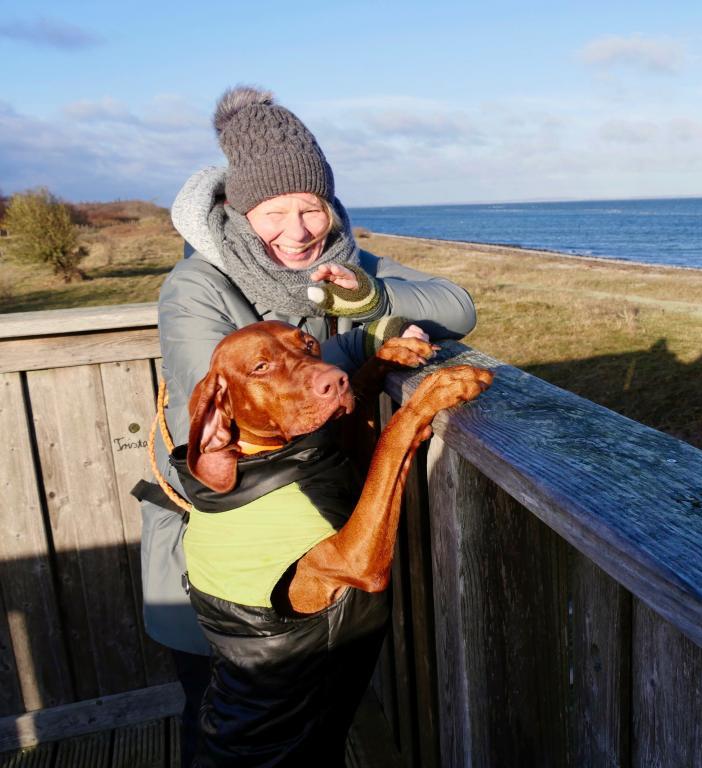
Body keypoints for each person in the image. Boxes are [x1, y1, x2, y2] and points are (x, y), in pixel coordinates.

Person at [138, 85, 476, 766]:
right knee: (224, 736)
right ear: (238, 211)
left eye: (310, 207)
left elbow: (457, 306)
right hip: (217, 576)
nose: (296, 231)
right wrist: (358, 358)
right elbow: (206, 439)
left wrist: (371, 300)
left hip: (321, 561)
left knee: (316, 732)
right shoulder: (198, 288)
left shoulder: (342, 264)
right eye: (274, 212)